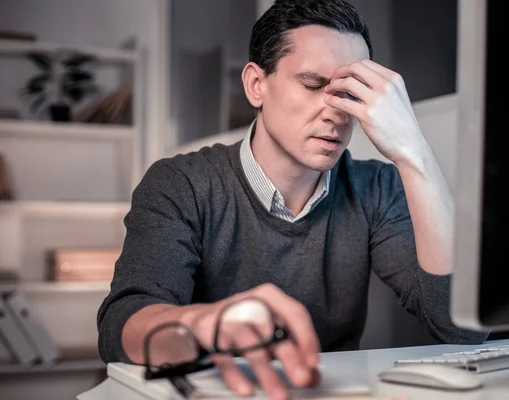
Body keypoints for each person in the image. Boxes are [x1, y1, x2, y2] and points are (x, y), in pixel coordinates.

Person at [97, 0, 488, 398]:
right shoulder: (181, 183)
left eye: (351, 94)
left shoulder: (376, 188)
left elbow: (462, 327)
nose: (336, 114)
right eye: (314, 85)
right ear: (256, 85)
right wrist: (202, 325)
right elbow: (119, 328)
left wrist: (414, 152)